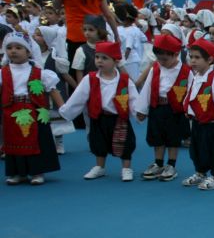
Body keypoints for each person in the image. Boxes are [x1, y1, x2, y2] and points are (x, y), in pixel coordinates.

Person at [57, 41, 137, 181]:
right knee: (98, 142)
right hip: (98, 117)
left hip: (119, 118)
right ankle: (100, 167)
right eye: (97, 57)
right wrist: (66, 111)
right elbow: (79, 97)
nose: (100, 61)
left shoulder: (124, 80)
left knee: (124, 143)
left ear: (115, 60)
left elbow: (134, 99)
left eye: (105, 58)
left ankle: (126, 168)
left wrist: (139, 113)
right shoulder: (91, 78)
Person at [2, 32, 63, 185]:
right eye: (9, 48)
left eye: (18, 47)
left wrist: (63, 108)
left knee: (37, 141)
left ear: (28, 51)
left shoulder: (39, 73)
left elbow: (52, 90)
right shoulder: (3, 73)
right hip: (11, 112)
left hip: (35, 111)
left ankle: (37, 171)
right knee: (13, 142)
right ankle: (18, 173)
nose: (13, 51)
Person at [134, 34, 190, 181]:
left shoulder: (185, 71)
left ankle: (171, 164)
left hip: (175, 110)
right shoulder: (155, 69)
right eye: (159, 58)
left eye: (165, 59)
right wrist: (142, 109)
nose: (161, 62)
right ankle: (158, 163)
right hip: (157, 108)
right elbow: (147, 88)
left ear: (176, 54)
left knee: (173, 138)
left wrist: (190, 111)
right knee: (157, 138)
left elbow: (191, 91)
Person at [181, 39, 214, 190]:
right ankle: (200, 172)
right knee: (196, 150)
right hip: (197, 122)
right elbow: (191, 95)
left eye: (197, 57)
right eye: (191, 57)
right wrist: (188, 110)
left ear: (209, 59)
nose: (193, 61)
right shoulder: (195, 77)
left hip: (213, 124)